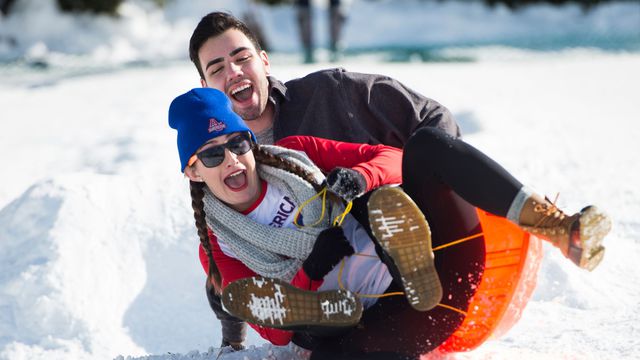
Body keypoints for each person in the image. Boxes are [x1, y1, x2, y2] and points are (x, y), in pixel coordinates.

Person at [168, 88, 611, 359]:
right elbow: (273, 330)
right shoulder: (217, 245)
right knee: (319, 344)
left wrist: (359, 177)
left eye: (238, 142)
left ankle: (557, 228)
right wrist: (312, 269)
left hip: (442, 286)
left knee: (427, 145)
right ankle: (328, 307)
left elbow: (391, 158)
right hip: (381, 330)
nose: (231, 159)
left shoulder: (298, 155)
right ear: (192, 171)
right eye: (212, 154)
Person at [188, 10, 469, 351]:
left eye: (242, 58)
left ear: (264, 61)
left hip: (404, 253)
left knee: (368, 195)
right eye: (217, 69)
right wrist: (233, 340)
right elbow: (234, 263)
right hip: (331, 305)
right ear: (206, 90)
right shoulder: (215, 166)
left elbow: (431, 122)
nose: (233, 72)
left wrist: (441, 200)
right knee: (220, 256)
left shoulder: (330, 96)